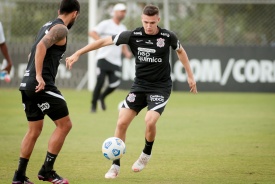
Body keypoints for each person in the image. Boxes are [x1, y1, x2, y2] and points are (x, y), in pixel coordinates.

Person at [66, 4, 197, 179]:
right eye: (145, 22)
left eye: (152, 22)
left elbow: (181, 51)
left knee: (150, 121)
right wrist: (78, 53)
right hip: (139, 86)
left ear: (158, 20)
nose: (148, 26)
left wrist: (190, 75)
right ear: (141, 20)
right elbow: (103, 41)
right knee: (121, 123)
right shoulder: (132, 35)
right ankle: (115, 166)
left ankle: (145, 155)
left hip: (160, 87)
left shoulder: (167, 36)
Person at [12, 0, 80, 184]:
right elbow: (41, 47)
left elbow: (32, 52)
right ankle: (47, 171)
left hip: (27, 84)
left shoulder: (46, 25)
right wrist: (40, 76)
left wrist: (32, 75)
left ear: (59, 10)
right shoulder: (61, 29)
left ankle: (19, 177)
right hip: (41, 85)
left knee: (34, 131)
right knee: (65, 125)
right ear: (75, 14)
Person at [89, 3, 131, 113]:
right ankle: (93, 105)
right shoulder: (106, 24)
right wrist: (101, 42)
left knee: (115, 84)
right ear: (115, 12)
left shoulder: (123, 28)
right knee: (100, 82)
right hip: (103, 57)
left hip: (115, 61)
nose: (123, 13)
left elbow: (123, 44)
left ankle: (102, 97)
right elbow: (92, 32)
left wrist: (126, 52)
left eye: (124, 12)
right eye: (121, 11)